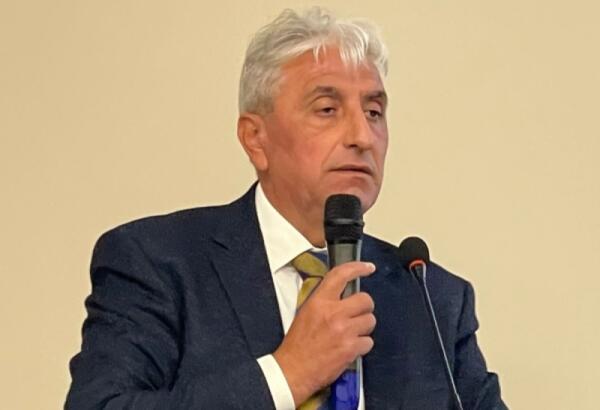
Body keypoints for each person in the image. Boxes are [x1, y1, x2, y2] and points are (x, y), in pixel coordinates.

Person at [66, 7, 507, 410]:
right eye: (328, 109)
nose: (362, 136)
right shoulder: (158, 262)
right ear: (255, 139)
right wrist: (287, 374)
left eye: (374, 112)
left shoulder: (431, 298)